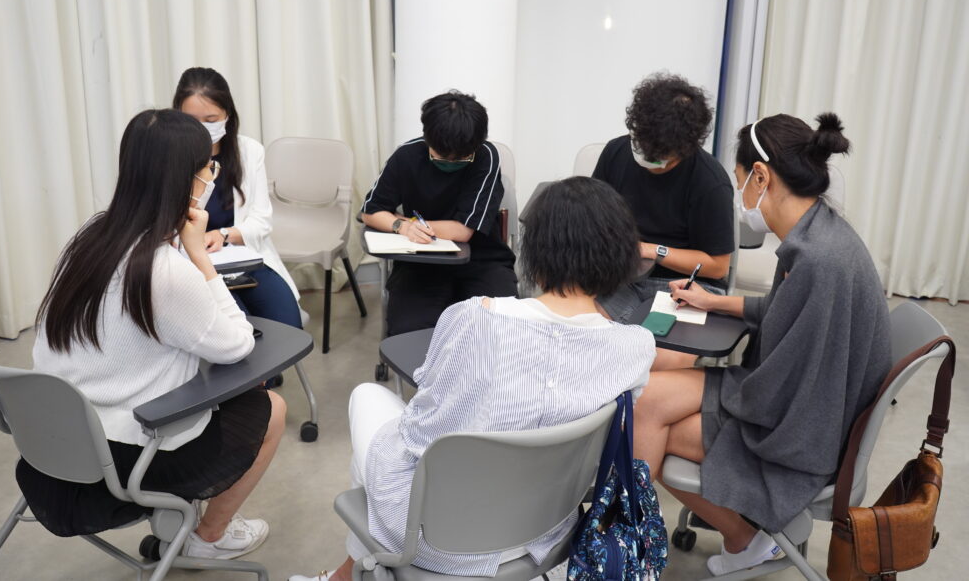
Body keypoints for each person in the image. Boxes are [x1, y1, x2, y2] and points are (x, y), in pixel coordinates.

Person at [291, 177, 656, 581]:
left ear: (536, 251)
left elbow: (422, 432)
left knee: (369, 400)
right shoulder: (635, 347)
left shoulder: (475, 317)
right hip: (547, 529)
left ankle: (349, 574)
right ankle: (348, 574)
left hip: (440, 539)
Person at [633, 113, 891, 576]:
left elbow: (782, 390)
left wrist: (720, 385)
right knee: (647, 398)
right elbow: (789, 312)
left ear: (760, 176)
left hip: (800, 432)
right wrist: (715, 302)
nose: (740, 196)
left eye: (739, 182)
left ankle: (645, 548)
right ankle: (719, 539)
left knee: (651, 421)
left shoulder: (817, 260)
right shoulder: (818, 234)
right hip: (806, 405)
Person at [25, 109, 285, 560]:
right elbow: (237, 344)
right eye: (209, 167)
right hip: (122, 459)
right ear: (189, 180)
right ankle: (207, 539)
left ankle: (188, 525)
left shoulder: (90, 236)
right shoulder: (163, 271)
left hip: (52, 441)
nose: (212, 175)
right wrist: (199, 257)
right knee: (271, 407)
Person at [360, 90, 518, 335]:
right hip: (420, 261)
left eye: (460, 160)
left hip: (481, 260)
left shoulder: (485, 156)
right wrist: (401, 226)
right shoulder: (407, 155)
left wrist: (407, 221)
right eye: (441, 157)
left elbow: (463, 231)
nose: (450, 164)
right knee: (409, 331)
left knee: (499, 327)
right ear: (428, 139)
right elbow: (371, 211)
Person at [592, 72, 735, 323]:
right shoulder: (616, 153)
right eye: (641, 146)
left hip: (686, 284)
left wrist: (650, 250)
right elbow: (591, 219)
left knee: (657, 342)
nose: (648, 160)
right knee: (588, 328)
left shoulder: (710, 182)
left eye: (659, 158)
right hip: (622, 278)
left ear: (685, 149)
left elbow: (718, 265)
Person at [173, 67, 302, 331]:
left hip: (242, 259)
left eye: (211, 119)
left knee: (288, 326)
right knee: (240, 330)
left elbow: (261, 221)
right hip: (191, 268)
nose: (202, 128)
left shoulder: (249, 151)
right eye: (192, 121)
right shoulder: (168, 156)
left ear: (227, 115)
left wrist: (222, 235)